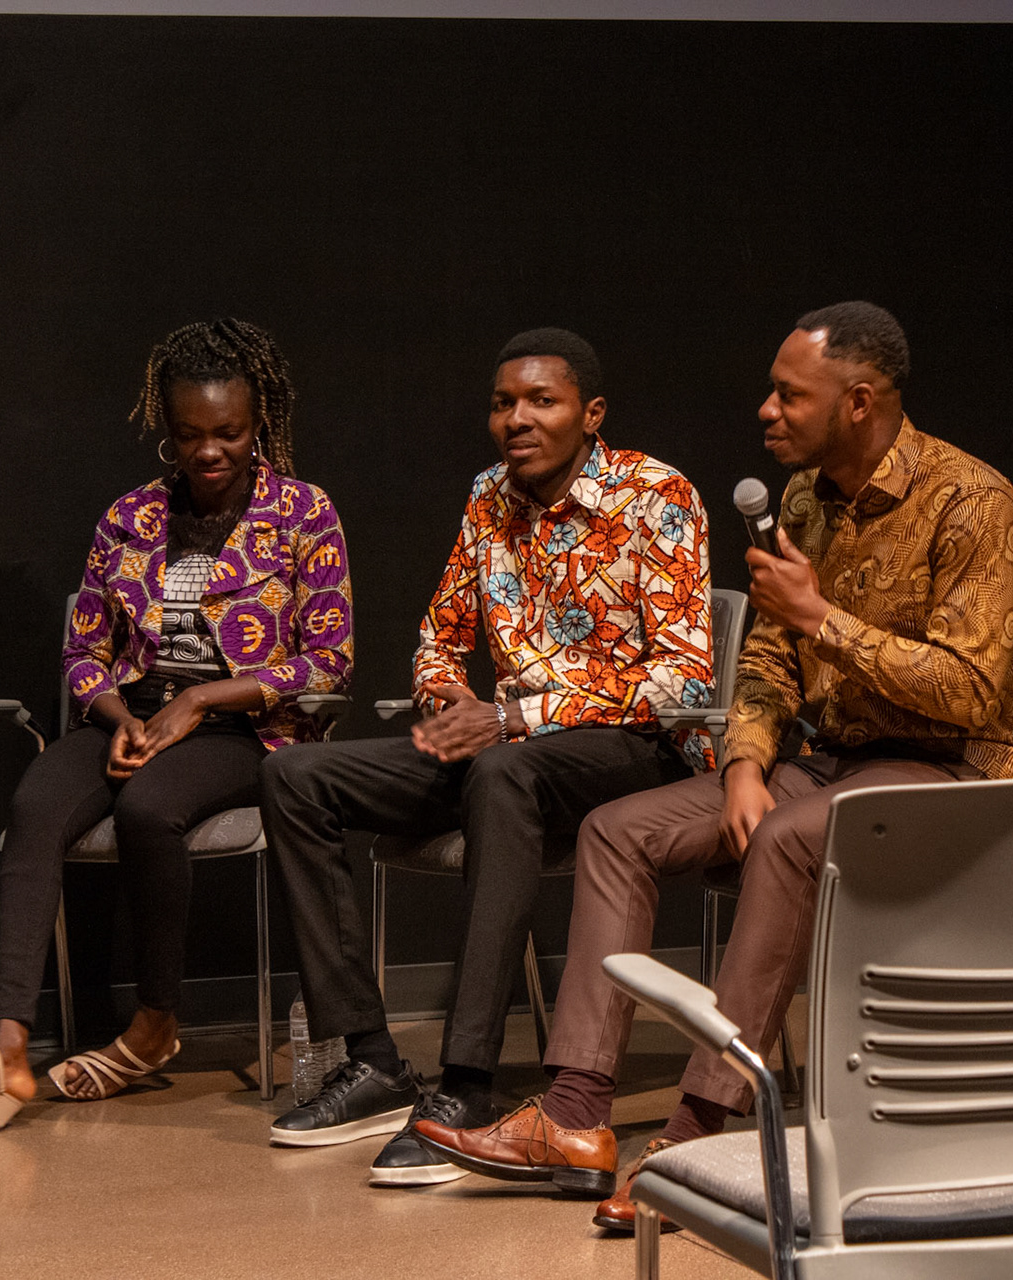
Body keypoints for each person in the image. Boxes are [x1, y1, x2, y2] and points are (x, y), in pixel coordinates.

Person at [414, 302, 1013, 1230]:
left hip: (956, 770)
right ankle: (575, 1117)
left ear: (859, 402)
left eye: (790, 395)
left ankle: (698, 1133)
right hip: (831, 761)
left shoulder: (972, 502)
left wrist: (822, 619)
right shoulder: (800, 501)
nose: (766, 410)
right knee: (616, 830)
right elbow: (763, 661)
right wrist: (748, 761)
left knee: (788, 841)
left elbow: (971, 690)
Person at [260, 328, 714, 1187]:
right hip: (509, 749)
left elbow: (681, 680)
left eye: (542, 401)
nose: (517, 419)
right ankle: (373, 1061)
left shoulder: (657, 495)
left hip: (635, 751)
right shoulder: (487, 497)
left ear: (591, 413)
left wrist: (512, 717)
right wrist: (447, 700)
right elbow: (440, 633)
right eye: (504, 403)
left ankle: (466, 1085)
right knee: (295, 775)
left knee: (505, 769)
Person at [0, 319, 353, 1130]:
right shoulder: (130, 517)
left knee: (150, 808)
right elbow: (84, 650)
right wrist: (119, 715)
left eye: (228, 433)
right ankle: (8, 1045)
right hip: (135, 712)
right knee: (36, 802)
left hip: (244, 730)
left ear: (257, 425)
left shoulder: (303, 513)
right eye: (190, 435)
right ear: (168, 431)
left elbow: (327, 661)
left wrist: (200, 701)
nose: (209, 451)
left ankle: (155, 1025)